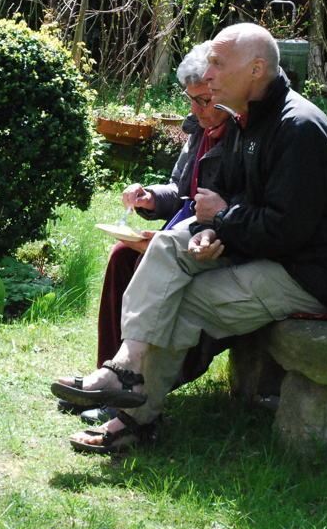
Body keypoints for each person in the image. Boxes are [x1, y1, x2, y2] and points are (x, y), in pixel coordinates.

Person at [52, 23, 327, 453]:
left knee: (185, 299)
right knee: (167, 246)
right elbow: (231, 206)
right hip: (265, 252)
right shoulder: (248, 121)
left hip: (306, 275)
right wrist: (211, 233)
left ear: (256, 70)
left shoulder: (300, 127)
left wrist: (224, 222)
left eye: (218, 63)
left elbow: (287, 231)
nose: (209, 73)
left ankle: (135, 419)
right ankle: (125, 368)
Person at [63, 42, 232, 425]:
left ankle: (131, 384)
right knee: (122, 256)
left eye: (204, 100)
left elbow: (227, 210)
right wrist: (150, 198)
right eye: (192, 100)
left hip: (213, 243)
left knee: (137, 259)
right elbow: (182, 191)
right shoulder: (198, 129)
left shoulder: (240, 135)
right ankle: (109, 376)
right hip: (182, 235)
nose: (196, 110)